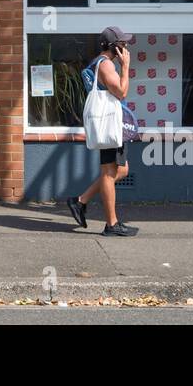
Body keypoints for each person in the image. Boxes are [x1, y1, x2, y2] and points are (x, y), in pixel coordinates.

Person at [67, 27, 136, 237]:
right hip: (110, 124)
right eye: (123, 43)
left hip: (109, 124)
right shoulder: (106, 65)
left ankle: (80, 201)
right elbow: (122, 92)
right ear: (114, 46)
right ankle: (111, 224)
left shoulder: (98, 63)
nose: (126, 47)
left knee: (121, 170)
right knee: (109, 172)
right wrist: (125, 68)